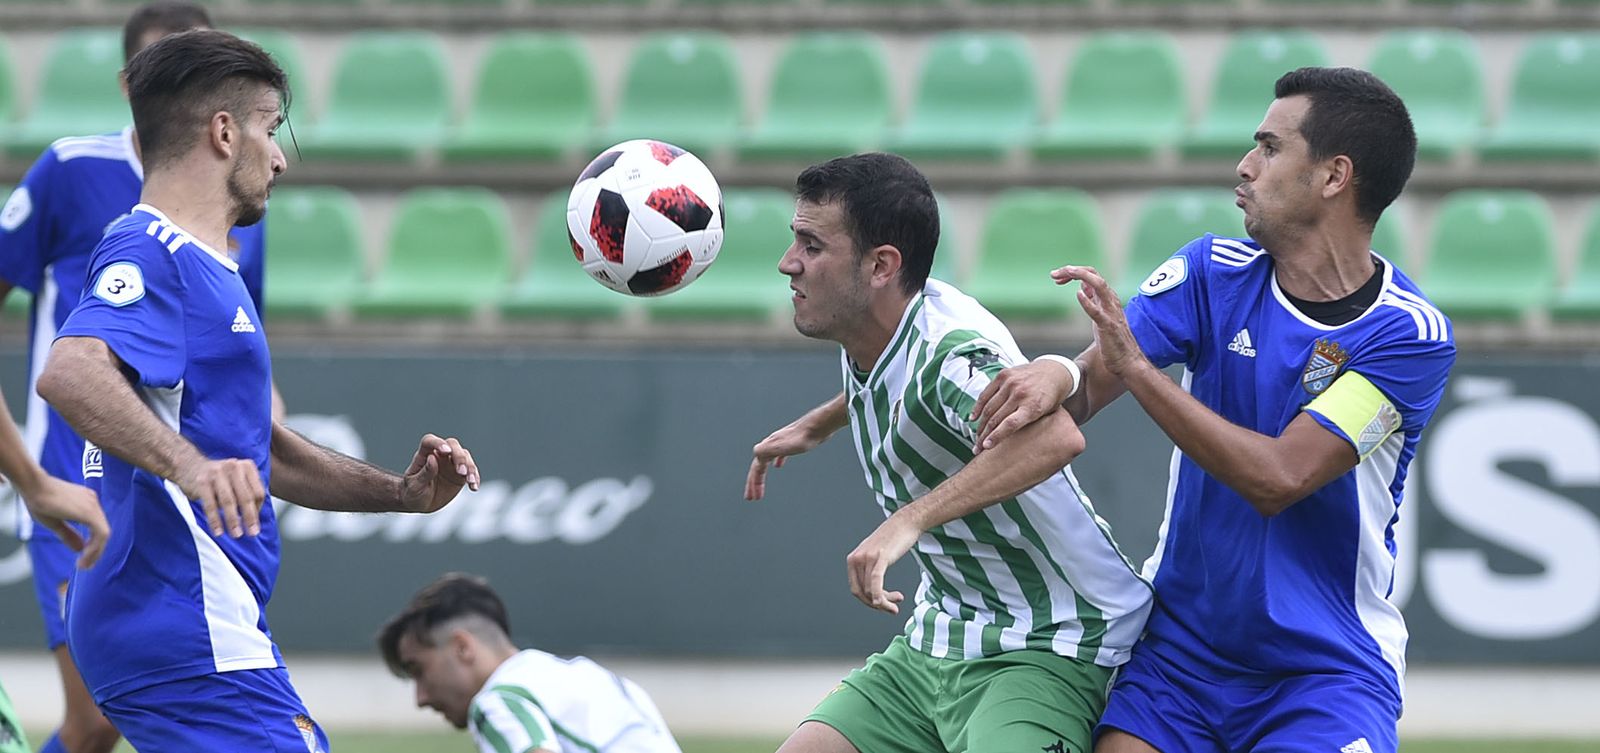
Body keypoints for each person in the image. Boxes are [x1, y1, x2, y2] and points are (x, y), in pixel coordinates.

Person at [967, 68, 1455, 753]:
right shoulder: (1210, 272)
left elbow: (1280, 477)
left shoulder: (1404, 335)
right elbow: (1086, 382)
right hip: (1179, 660)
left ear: (1334, 176)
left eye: (1269, 146)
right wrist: (1054, 371)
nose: (1245, 165)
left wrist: (1137, 368)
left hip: (1323, 673)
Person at [35, 30, 481, 752]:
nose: (279, 156)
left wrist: (400, 493)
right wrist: (190, 466)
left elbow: (263, 448)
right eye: (272, 131)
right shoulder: (151, 246)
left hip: (184, 615)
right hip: (180, 613)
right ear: (222, 132)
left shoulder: (211, 267)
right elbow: (71, 369)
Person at [745, 153, 1152, 753]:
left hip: (1050, 641)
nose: (789, 263)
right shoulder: (882, 322)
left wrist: (905, 521)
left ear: (881, 265)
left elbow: (1056, 436)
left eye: (811, 245)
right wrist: (827, 418)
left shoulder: (951, 354)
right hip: (941, 635)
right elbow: (906, 380)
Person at [0, 4, 273, 751]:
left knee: (143, 712)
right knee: (96, 720)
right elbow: (72, 369)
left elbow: (240, 347)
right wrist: (27, 473)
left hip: (180, 506)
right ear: (131, 82)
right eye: (166, 62)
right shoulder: (71, 169)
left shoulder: (240, 192)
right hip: (77, 481)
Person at [378, 573, 682, 753]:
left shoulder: (499, 701)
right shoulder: (594, 678)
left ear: (462, 647)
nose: (421, 698)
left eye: (419, 670)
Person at [0, 385, 110, 753]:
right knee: (96, 716)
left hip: (129, 501)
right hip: (62, 493)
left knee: (114, 709)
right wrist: (33, 482)